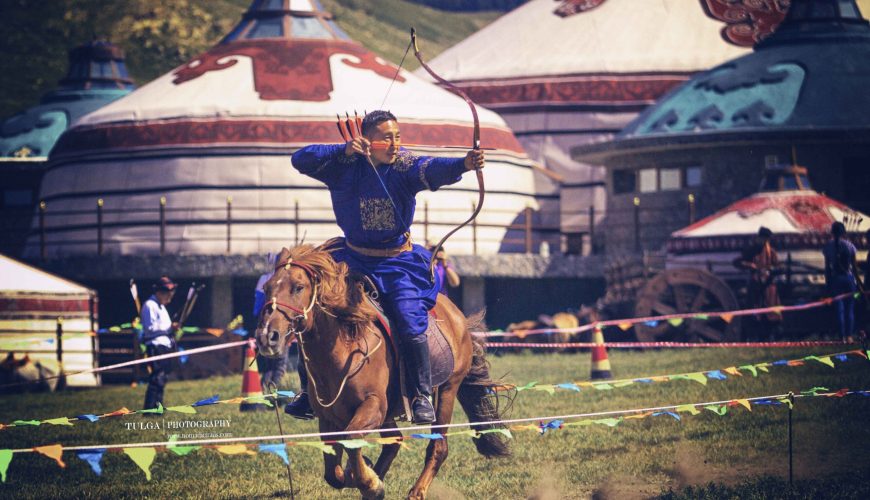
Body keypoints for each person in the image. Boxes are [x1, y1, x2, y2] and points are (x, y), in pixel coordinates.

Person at [286, 110, 485, 424]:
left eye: (398, 136)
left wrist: (463, 164)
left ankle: (420, 395)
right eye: (386, 138)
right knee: (318, 312)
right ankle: (307, 393)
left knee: (408, 319)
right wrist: (343, 149)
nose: (394, 144)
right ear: (367, 140)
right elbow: (300, 158)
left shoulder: (405, 165)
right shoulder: (342, 167)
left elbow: (432, 168)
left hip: (396, 263)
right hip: (350, 258)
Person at [732, 226, 783, 340]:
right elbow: (737, 262)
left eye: (767, 239)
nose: (765, 241)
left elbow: (779, 267)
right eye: (763, 238)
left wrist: (770, 271)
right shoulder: (751, 250)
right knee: (754, 314)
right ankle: (755, 337)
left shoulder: (772, 252)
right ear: (758, 238)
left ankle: (771, 337)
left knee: (771, 314)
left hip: (768, 288)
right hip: (755, 287)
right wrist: (750, 265)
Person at [253, 252, 289, 395]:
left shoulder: (263, 279)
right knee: (279, 366)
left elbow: (256, 310)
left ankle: (265, 392)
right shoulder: (282, 280)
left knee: (269, 365)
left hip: (263, 326)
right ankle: (273, 395)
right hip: (275, 327)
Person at [141, 276, 178, 411]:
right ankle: (149, 409)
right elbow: (149, 329)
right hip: (155, 346)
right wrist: (169, 328)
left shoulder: (161, 307)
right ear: (159, 292)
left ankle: (158, 409)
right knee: (157, 378)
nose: (170, 297)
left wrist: (171, 328)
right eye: (168, 294)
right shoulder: (149, 305)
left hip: (165, 345)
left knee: (162, 379)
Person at [823, 221, 861, 342]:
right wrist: (859, 283)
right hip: (849, 279)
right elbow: (854, 268)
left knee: (839, 309)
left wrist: (828, 283)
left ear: (832, 232)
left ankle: (842, 336)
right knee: (850, 309)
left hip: (836, 279)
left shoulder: (828, 247)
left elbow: (827, 268)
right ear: (844, 232)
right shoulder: (850, 246)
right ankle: (849, 335)